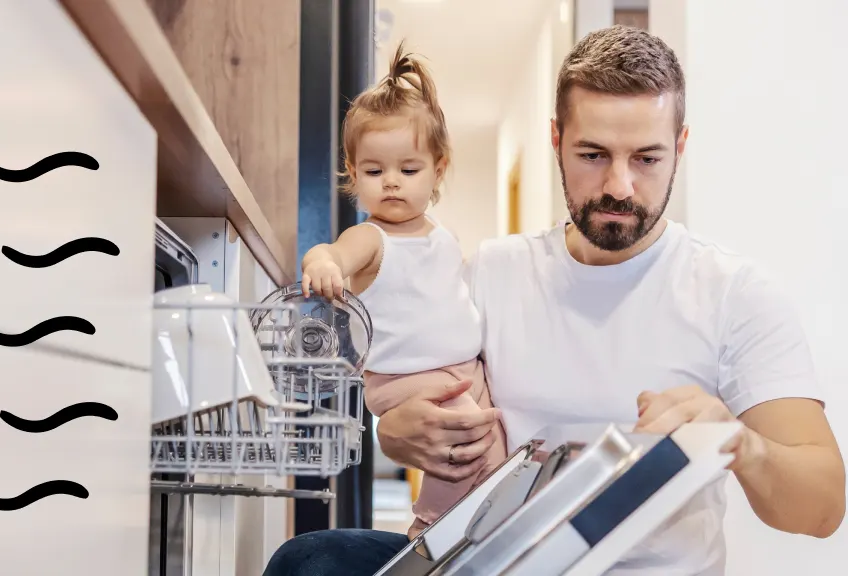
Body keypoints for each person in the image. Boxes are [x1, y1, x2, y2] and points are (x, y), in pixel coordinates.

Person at [264, 25, 846, 576]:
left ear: (680, 145)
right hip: (503, 561)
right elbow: (414, 377)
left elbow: (822, 509)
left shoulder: (736, 294)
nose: (620, 186)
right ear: (556, 140)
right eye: (593, 155)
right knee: (309, 562)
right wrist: (393, 430)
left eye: (647, 158)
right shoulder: (494, 270)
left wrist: (736, 440)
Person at [299, 40, 508, 542]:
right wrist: (323, 264)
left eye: (408, 170)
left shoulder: (442, 235)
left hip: (462, 370)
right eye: (374, 172)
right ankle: (430, 528)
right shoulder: (370, 238)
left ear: (438, 169)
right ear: (354, 175)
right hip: (406, 377)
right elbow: (328, 254)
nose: (391, 183)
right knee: (463, 444)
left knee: (496, 449)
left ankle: (481, 529)